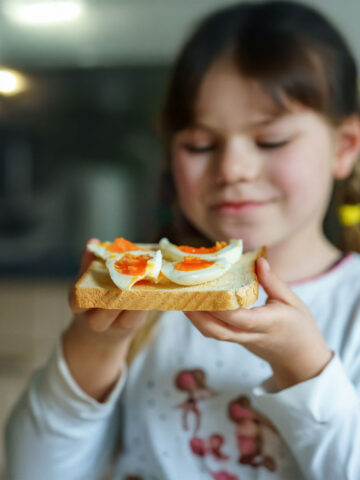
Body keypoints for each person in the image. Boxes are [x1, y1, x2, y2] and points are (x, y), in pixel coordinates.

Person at [5, 1, 360, 479]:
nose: (232, 169)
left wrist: (303, 366)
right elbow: (33, 470)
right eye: (200, 145)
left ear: (345, 148)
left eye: (270, 140)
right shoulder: (150, 310)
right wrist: (95, 344)